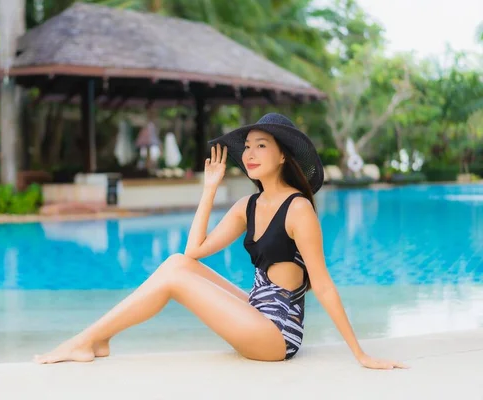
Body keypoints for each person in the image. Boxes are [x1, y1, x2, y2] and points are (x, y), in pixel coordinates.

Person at [34, 113, 407, 370]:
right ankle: (98, 340)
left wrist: (361, 354)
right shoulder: (248, 205)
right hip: (254, 312)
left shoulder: (298, 210)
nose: (250, 153)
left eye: (262, 146)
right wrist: (209, 189)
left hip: (276, 335)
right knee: (177, 265)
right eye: (247, 146)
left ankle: (85, 341)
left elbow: (322, 285)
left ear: (282, 156)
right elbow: (193, 252)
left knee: (177, 278)